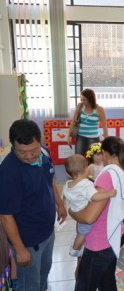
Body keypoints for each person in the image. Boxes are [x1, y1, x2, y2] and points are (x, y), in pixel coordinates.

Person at [0, 119, 67, 291]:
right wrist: (20, 249)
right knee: (29, 285)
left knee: (42, 279)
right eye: (22, 152)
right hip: (28, 241)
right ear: (13, 145)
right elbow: (5, 215)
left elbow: (49, 178)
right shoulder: (8, 171)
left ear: (40, 142)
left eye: (33, 150)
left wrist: (59, 204)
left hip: (48, 233)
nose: (29, 156)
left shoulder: (43, 153)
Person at [69, 136, 124, 291]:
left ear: (105, 153)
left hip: (99, 242)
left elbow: (89, 217)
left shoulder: (108, 176)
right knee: (107, 282)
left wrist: (71, 212)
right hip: (115, 235)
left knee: (84, 286)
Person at [63, 154, 116, 257]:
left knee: (79, 231)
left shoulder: (68, 184)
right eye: (87, 166)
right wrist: (109, 194)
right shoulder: (86, 184)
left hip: (75, 211)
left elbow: (65, 196)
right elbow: (94, 197)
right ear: (84, 169)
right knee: (81, 235)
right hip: (84, 212)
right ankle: (74, 250)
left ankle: (76, 247)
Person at [67, 88, 108, 156]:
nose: (82, 101)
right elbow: (74, 122)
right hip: (80, 137)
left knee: (92, 160)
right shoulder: (80, 106)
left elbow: (104, 126)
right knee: (78, 158)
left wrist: (106, 140)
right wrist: (69, 136)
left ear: (90, 99)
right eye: (81, 99)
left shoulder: (99, 109)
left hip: (93, 138)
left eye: (84, 99)